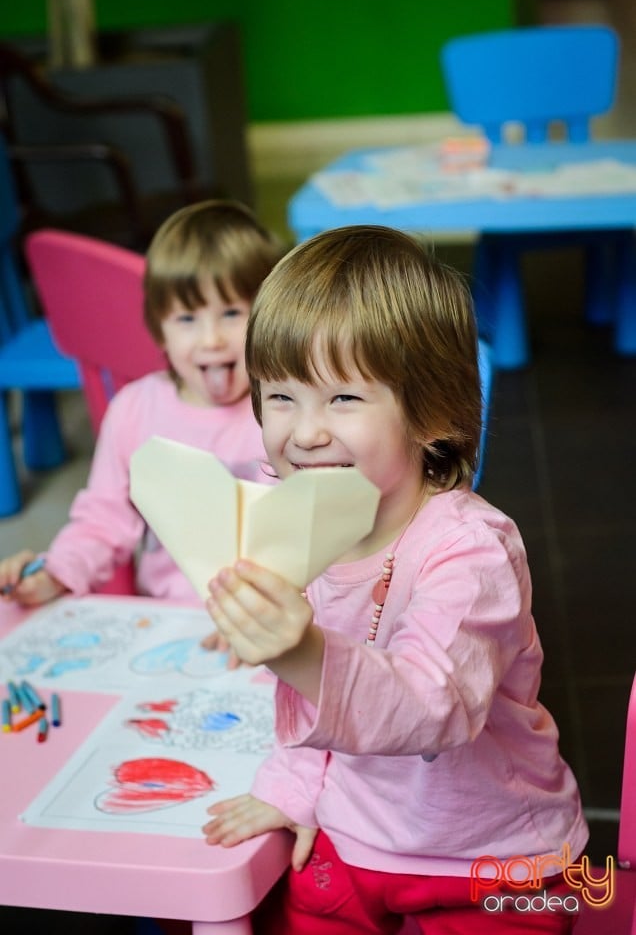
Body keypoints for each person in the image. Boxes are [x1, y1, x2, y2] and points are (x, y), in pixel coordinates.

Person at [201, 225, 589, 934]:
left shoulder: (473, 551)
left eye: (342, 399)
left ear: (431, 411)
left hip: (496, 858)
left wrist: (303, 652)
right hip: (356, 837)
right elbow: (300, 707)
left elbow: (436, 708)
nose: (305, 432)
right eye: (280, 396)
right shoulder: (304, 530)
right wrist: (290, 793)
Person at [0, 199, 283, 613]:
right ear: (159, 330)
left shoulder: (289, 410)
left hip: (276, 621)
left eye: (231, 313)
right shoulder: (134, 410)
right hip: (170, 619)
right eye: (187, 319)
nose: (211, 339)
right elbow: (103, 522)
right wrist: (56, 573)